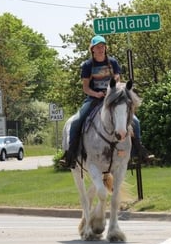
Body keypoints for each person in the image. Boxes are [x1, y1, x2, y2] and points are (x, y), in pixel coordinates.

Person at [60, 35, 154, 168]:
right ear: (92, 49)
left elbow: (117, 81)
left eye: (102, 46)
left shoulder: (113, 62)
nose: (100, 49)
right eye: (97, 47)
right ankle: (70, 154)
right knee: (76, 121)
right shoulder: (87, 65)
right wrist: (96, 93)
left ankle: (138, 151)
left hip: (112, 99)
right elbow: (86, 88)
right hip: (94, 99)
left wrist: (112, 93)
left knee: (136, 122)